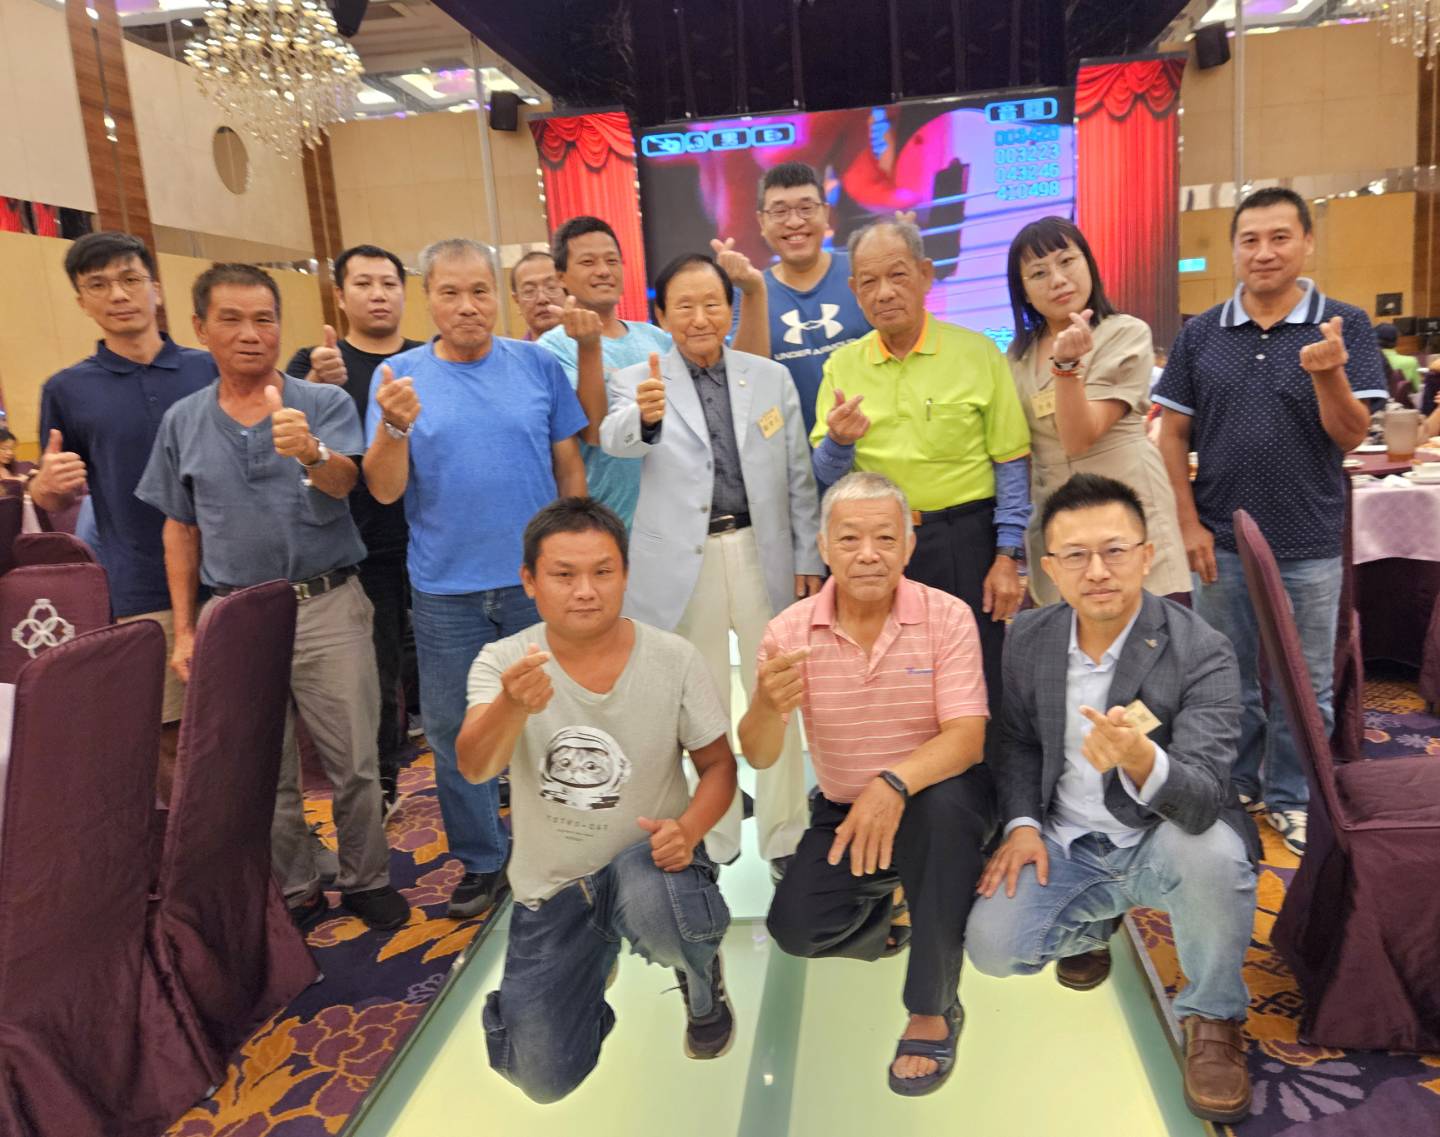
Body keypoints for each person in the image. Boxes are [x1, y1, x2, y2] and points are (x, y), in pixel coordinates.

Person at [966, 472, 1259, 1124]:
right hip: (1069, 840)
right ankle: (1096, 923)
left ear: (1147, 555)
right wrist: (1021, 825)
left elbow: (1205, 797)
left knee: (1214, 857)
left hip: (1164, 834)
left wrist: (1140, 757)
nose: (1097, 571)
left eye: (1115, 550)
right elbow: (1016, 743)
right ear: (1050, 569)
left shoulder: (1202, 649)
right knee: (992, 946)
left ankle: (1214, 1015)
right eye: (1075, 555)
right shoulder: (1029, 637)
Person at [136, 263, 409, 932]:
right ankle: (297, 886)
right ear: (200, 328)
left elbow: (351, 485)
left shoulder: (323, 402)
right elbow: (180, 528)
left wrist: (311, 452)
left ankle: (367, 877)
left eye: (264, 319)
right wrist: (185, 630)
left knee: (354, 759)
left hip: (328, 602)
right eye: (230, 319)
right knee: (266, 767)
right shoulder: (182, 421)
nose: (250, 333)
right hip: (234, 613)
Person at [29, 231, 339, 798]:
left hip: (236, 578)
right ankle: (192, 846)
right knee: (173, 737)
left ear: (155, 288)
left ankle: (275, 844)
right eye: (98, 285)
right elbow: (54, 493)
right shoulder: (68, 390)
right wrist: (44, 491)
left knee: (260, 731)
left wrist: (321, 389)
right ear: (81, 300)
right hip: (143, 584)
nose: (118, 295)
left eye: (130, 279)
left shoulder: (212, 367)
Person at [458, 498, 737, 1102]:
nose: (585, 591)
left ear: (625, 574)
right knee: (542, 1079)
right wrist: (511, 706)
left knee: (665, 915)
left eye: (603, 572)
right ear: (529, 580)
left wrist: (689, 830)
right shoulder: (504, 662)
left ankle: (699, 974)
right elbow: (475, 766)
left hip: (650, 865)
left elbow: (719, 768)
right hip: (553, 886)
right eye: (564, 574)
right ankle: (584, 974)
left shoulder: (673, 657)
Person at [740, 471, 992, 1096]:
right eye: (850, 538)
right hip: (847, 807)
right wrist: (766, 706)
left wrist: (894, 783)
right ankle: (907, 899)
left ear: (909, 545)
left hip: (941, 794)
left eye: (885, 537)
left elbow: (967, 739)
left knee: (940, 818)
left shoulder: (947, 616)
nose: (868, 554)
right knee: (796, 928)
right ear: (824, 546)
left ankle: (933, 1006)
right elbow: (760, 753)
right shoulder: (788, 632)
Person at [1153, 187, 1387, 856]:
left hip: (1309, 539)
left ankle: (1292, 794)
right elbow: (1173, 436)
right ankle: (1234, 784)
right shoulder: (1201, 333)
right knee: (1220, 675)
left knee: (1303, 682)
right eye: (1249, 239)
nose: (1264, 252)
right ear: (1233, 250)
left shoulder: (1343, 324)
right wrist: (1188, 525)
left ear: (1307, 242)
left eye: (1280, 237)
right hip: (1219, 538)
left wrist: (1329, 374)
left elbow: (1350, 434)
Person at [364, 237, 588, 920]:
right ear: (428, 298)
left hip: (533, 586)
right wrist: (394, 429)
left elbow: (568, 464)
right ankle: (484, 859)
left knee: (555, 718)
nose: (467, 306)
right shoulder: (398, 378)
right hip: (445, 591)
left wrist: (577, 557)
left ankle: (564, 845)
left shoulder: (537, 365)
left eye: (480, 291)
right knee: (456, 729)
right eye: (451, 293)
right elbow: (383, 489)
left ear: (498, 295)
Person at [600, 252, 822, 871]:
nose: (700, 318)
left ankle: (785, 836)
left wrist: (808, 552)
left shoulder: (768, 377)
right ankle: (715, 834)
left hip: (760, 550)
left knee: (777, 693)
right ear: (663, 315)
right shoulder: (636, 378)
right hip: (683, 563)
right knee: (702, 703)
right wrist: (644, 418)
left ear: (730, 309)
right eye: (685, 306)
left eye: (712, 304)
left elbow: (798, 475)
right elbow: (614, 441)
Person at [810, 219, 1031, 734]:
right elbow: (826, 473)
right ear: (854, 290)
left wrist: (1008, 556)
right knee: (894, 680)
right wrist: (840, 441)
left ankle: (984, 783)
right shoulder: (842, 367)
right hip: (881, 547)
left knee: (978, 676)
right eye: (869, 282)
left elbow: (1011, 463)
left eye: (897, 275)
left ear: (926, 274)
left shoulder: (977, 353)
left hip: (967, 541)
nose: (884, 293)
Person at [287, 244, 424, 813]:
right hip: (362, 548)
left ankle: (476, 773)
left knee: (448, 666)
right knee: (376, 674)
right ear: (340, 297)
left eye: (389, 283)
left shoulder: (427, 359)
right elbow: (290, 443)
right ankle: (385, 778)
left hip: (432, 539)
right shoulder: (315, 363)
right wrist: (316, 382)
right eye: (363, 284)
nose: (378, 294)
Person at [537, 215, 769, 526]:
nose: (603, 270)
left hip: (676, 523)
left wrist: (752, 292)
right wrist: (589, 346)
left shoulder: (655, 337)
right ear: (561, 276)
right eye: (588, 262)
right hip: (611, 522)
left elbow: (741, 379)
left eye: (612, 260)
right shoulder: (551, 350)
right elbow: (594, 433)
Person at [1004, 217, 1188, 603]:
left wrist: (1066, 368)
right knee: (1069, 632)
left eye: (1066, 261)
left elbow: (1078, 437)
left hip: (1125, 508)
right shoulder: (1017, 357)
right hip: (1059, 522)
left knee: (1143, 626)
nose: (1057, 279)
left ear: (1088, 264)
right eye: (1039, 273)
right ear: (1024, 292)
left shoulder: (1125, 333)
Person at [752, 161, 870, 436]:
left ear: (826, 213)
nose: (794, 222)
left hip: (872, 449)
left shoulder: (863, 271)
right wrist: (750, 291)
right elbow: (746, 380)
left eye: (806, 208)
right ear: (762, 221)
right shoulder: (749, 295)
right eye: (780, 211)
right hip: (789, 454)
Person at [509, 250, 565, 341]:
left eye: (551, 287)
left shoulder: (587, 344)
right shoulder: (514, 350)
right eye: (529, 291)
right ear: (517, 300)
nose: (542, 299)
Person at [1375, 322, 1421, 394]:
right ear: (1397, 340)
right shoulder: (1411, 361)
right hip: (1403, 400)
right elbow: (1417, 389)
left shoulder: (1369, 361)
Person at [0, 429, 33, 496]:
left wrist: (29, 475)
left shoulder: (8, 468)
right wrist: (18, 480)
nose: (10, 453)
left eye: (12, 449)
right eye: (4, 448)